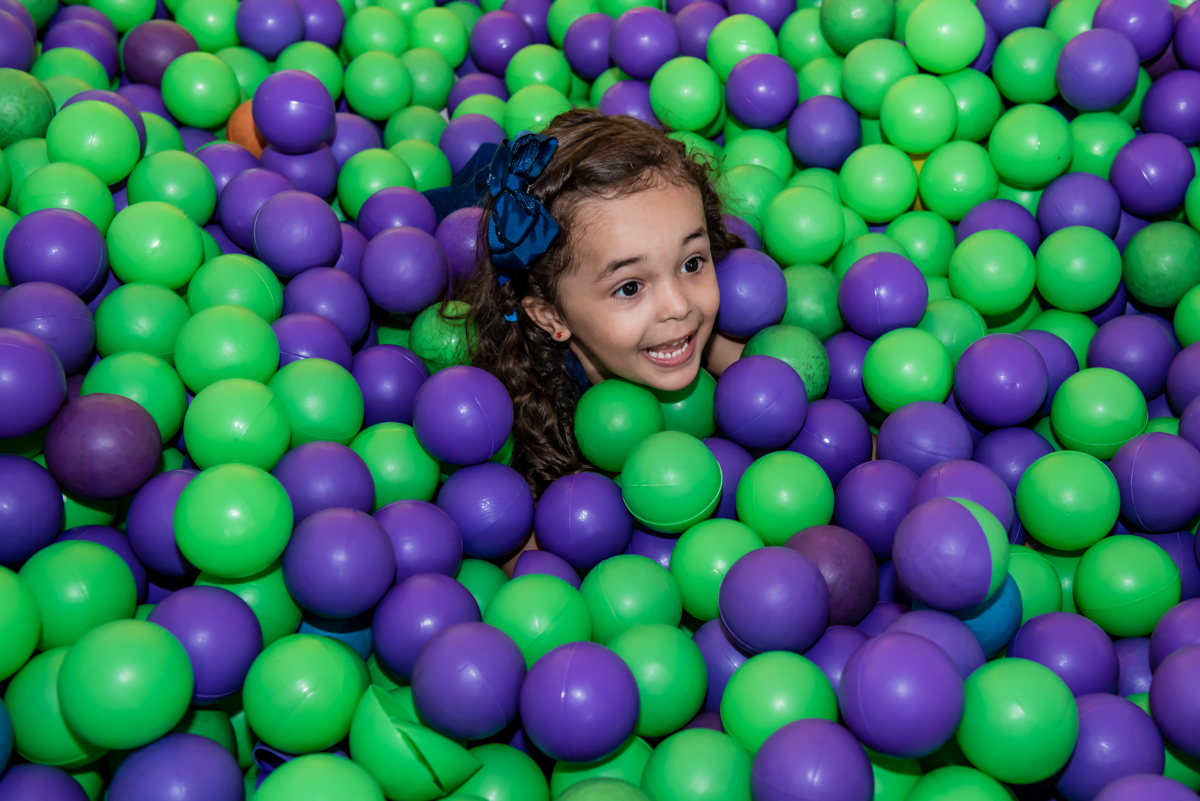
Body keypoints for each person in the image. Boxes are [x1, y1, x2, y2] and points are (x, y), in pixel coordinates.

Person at [449, 109, 744, 495]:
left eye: (691, 263)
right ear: (550, 315)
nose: (679, 306)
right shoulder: (522, 406)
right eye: (629, 288)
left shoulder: (716, 329)